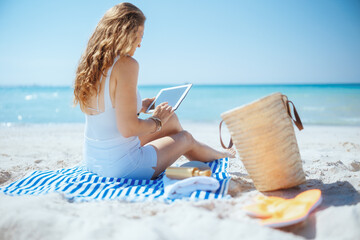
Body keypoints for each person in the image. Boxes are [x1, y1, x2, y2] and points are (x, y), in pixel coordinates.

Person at [73, 2, 234, 180]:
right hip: (122, 167)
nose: (140, 43)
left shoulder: (91, 65)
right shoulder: (126, 64)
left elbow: (106, 108)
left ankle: (205, 151)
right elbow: (128, 129)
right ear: (125, 33)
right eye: (139, 34)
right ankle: (221, 156)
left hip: (94, 160)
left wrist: (139, 106)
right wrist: (157, 120)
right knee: (185, 137)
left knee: (171, 119)